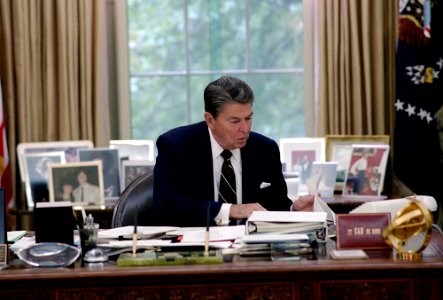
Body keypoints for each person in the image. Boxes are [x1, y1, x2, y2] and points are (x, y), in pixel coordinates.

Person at [153, 76, 314, 227]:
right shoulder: (176, 146)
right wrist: (231, 210)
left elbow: (275, 206)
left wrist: (293, 211)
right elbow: (165, 207)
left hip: (252, 249)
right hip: (197, 249)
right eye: (235, 121)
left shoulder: (265, 149)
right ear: (210, 120)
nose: (244, 129)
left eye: (248, 118)